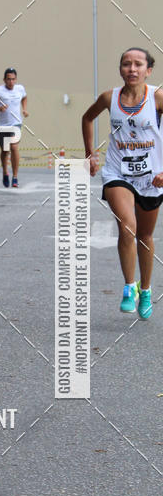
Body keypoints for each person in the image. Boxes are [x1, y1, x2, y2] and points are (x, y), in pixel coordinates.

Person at [82, 47, 163, 319]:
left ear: (148, 70)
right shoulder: (109, 98)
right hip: (117, 173)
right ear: (120, 69)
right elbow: (87, 117)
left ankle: (147, 289)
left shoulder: (157, 98)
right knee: (127, 227)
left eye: (138, 64)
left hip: (152, 177)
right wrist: (90, 155)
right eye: (126, 64)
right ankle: (129, 286)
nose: (132, 69)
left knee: (145, 236)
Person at [0, 68, 28, 188]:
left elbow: (24, 97)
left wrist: (24, 109)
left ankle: (15, 177)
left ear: (16, 79)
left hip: (16, 123)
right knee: (5, 151)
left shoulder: (20, 88)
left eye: (13, 79)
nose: (11, 82)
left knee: (14, 146)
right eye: (8, 79)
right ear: (4, 79)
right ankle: (5, 172)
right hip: (2, 126)